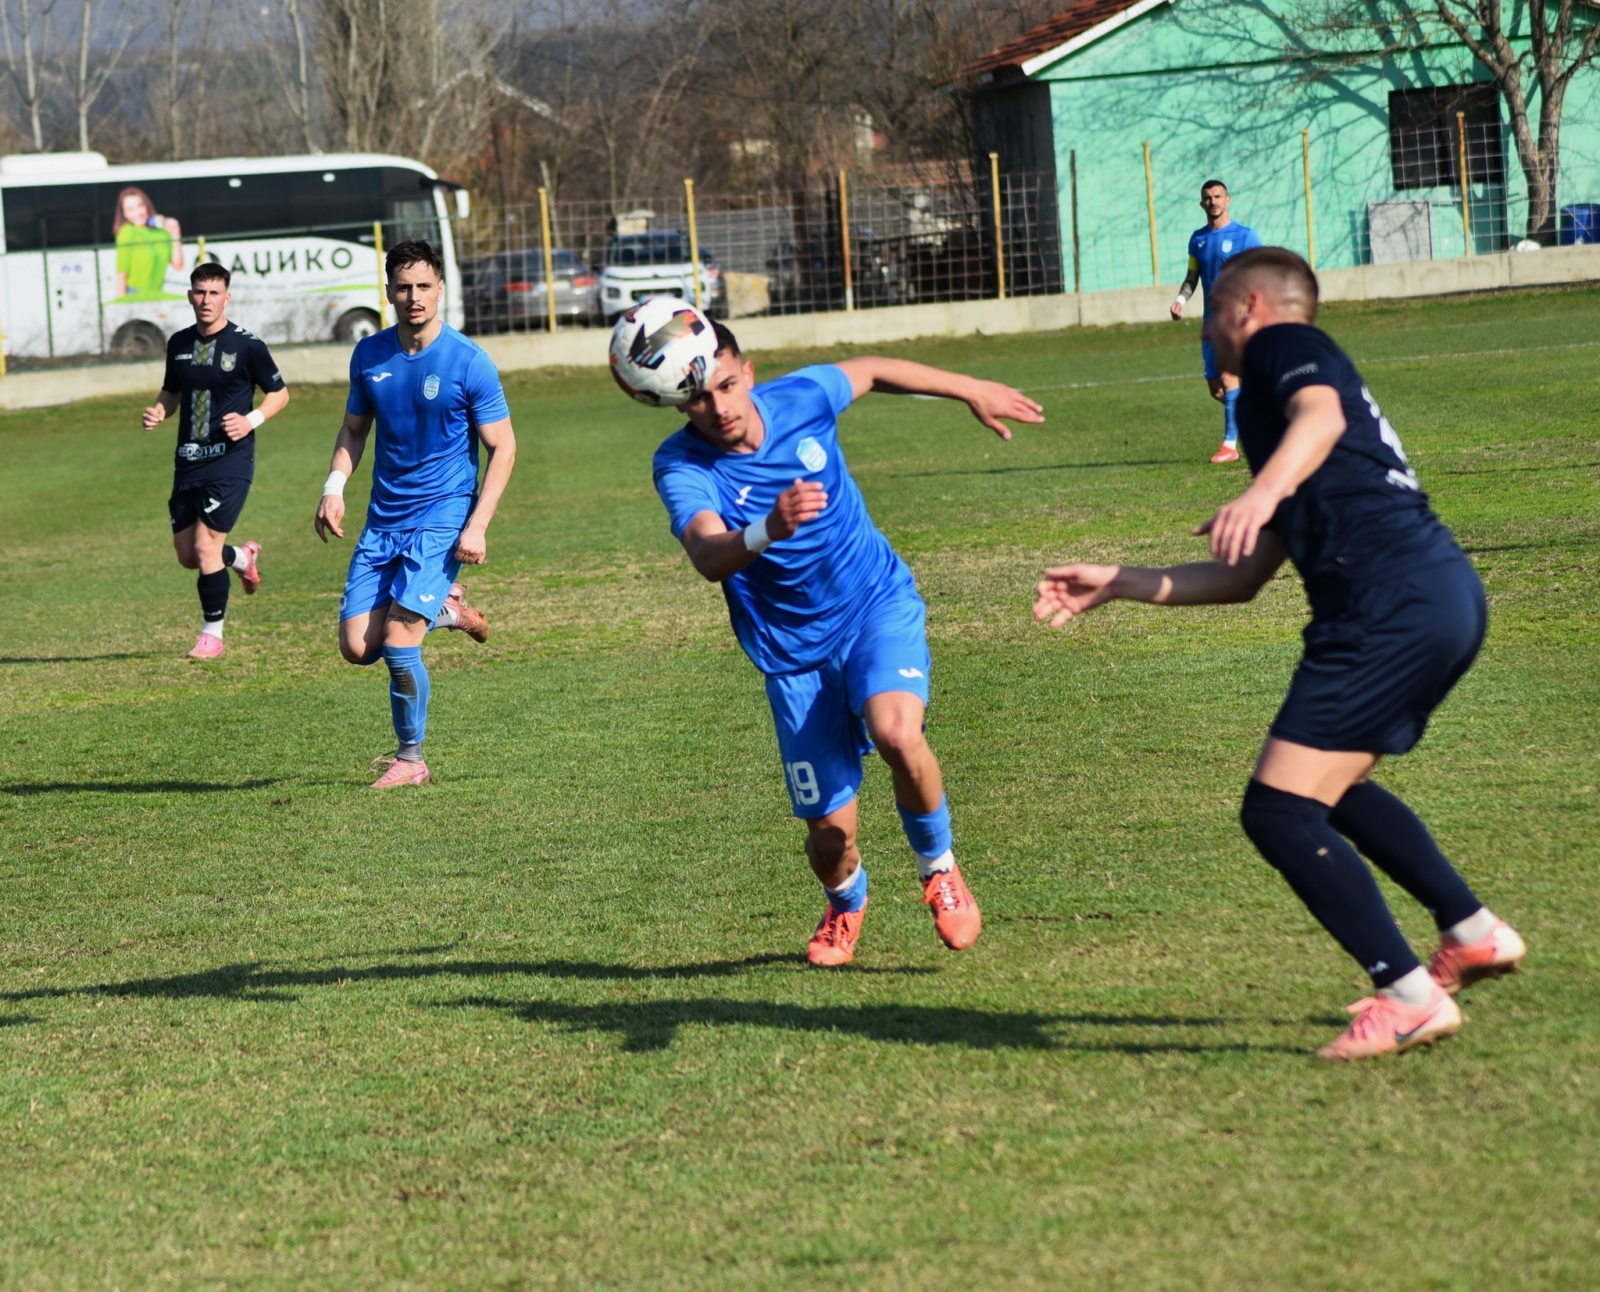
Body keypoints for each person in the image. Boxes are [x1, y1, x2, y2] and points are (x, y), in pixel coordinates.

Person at [1036, 247, 1524, 1061]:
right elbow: (1243, 577)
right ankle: (1472, 932)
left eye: (1213, 307)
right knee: (1329, 791)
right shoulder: (1276, 420)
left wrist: (1259, 490)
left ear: (1248, 304)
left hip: (1386, 603)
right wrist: (1118, 581)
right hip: (1436, 594)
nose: (1207, 324)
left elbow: (1323, 415)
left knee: (1278, 811)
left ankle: (1407, 996)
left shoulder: (1282, 349)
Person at [652, 315, 1043, 966]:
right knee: (831, 838)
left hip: (873, 607)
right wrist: (766, 530)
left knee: (898, 734)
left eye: (726, 385)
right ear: (676, 402)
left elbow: (872, 369)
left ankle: (939, 868)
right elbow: (706, 552)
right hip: (791, 656)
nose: (717, 407)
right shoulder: (681, 464)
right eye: (697, 397)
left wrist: (970, 386)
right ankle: (845, 902)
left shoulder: (801, 398)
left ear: (748, 373)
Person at [314, 239, 514, 789]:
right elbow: (354, 430)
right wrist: (334, 487)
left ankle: (411, 759)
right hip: (384, 519)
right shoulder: (369, 356)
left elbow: (504, 446)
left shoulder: (469, 361)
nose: (414, 297)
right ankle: (446, 609)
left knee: (401, 646)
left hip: (444, 515)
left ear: (440, 288)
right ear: (388, 293)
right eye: (403, 287)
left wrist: (477, 524)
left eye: (424, 286)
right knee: (358, 648)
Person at [142, 262, 289, 659]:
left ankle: (212, 635)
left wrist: (251, 419)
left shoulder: (247, 345)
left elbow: (280, 394)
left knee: (206, 547)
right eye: (199, 292)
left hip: (230, 461)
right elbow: (171, 391)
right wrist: (159, 410)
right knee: (190, 556)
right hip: (188, 459)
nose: (206, 300)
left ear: (227, 297)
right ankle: (242, 558)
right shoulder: (178, 343)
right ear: (190, 295)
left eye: (213, 293)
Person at [1170, 180, 1261, 464]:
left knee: (1228, 376)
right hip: (1210, 323)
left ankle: (1230, 445)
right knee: (1217, 389)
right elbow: (1191, 278)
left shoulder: (1246, 236)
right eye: (1208, 198)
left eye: (1218, 196)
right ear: (1202, 204)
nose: (1213, 202)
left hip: (1235, 320)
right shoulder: (1197, 239)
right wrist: (1181, 300)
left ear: (1228, 200)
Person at [115, 186, 183, 299]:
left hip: (156, 294)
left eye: (140, 206)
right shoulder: (126, 232)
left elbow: (178, 265)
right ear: (125, 214)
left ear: (146, 206)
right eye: (130, 209)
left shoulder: (162, 233)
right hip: (134, 295)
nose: (137, 212)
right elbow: (122, 273)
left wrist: (176, 234)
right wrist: (121, 305)